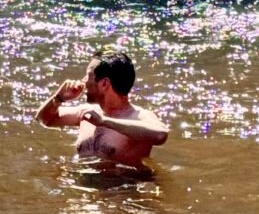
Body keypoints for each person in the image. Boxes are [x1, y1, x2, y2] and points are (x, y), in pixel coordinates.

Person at [35, 50, 169, 167]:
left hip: (123, 192)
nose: (83, 81)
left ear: (104, 83)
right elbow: (45, 119)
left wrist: (104, 121)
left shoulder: (137, 116)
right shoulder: (86, 112)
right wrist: (59, 98)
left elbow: (160, 135)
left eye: (88, 76)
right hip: (84, 190)